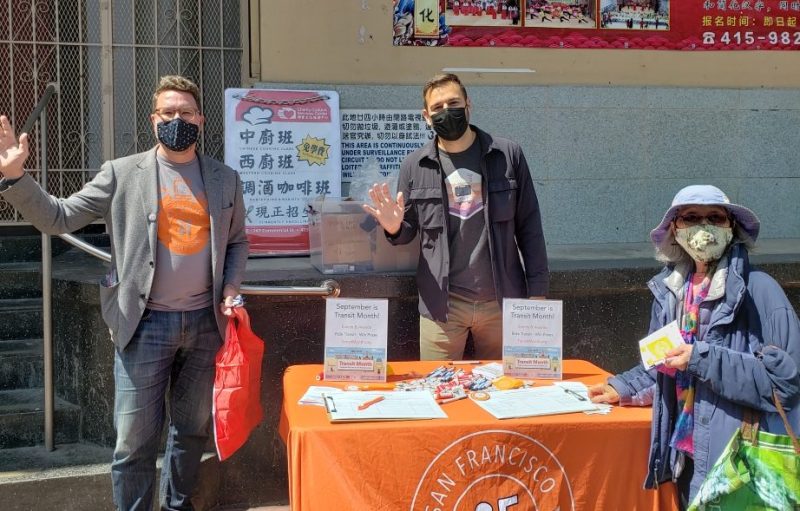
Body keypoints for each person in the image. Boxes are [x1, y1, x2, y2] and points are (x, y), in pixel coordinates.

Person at [0, 75, 250, 510]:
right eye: (168, 113)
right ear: (153, 120)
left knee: (191, 432)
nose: (177, 120)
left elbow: (238, 241)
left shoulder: (224, 178)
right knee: (133, 442)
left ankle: (178, 505)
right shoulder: (121, 173)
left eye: (186, 112)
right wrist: (16, 177)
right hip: (143, 324)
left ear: (201, 120)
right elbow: (58, 218)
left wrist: (230, 285)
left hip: (207, 324)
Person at [588, 185, 800, 509]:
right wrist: (624, 385)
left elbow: (786, 383)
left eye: (715, 217)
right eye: (692, 218)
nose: (704, 227)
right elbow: (666, 361)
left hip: (739, 463)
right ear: (675, 229)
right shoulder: (671, 290)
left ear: (731, 228)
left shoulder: (762, 292)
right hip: (686, 458)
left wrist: (701, 358)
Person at [362, 73, 548, 361]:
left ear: (468, 104)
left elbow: (529, 226)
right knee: (438, 390)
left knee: (505, 391)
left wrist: (537, 292)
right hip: (442, 306)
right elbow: (408, 231)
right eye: (437, 107)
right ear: (426, 116)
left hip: (502, 302)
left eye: (453, 103)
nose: (446, 112)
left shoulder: (506, 155)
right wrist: (394, 227)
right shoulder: (415, 165)